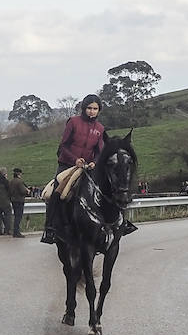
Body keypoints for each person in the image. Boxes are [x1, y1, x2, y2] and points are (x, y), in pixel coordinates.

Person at [41, 94, 135, 244]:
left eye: (95, 109)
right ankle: (50, 228)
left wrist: (95, 162)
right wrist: (75, 160)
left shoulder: (100, 128)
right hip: (67, 165)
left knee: (112, 187)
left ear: (99, 111)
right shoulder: (73, 122)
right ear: (84, 109)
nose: (92, 111)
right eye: (89, 108)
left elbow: (99, 151)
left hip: (89, 166)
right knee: (57, 191)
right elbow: (63, 146)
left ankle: (122, 223)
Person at [7, 167, 27, 237]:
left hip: (13, 200)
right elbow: (23, 191)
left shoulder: (11, 181)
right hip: (19, 200)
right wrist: (27, 191)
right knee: (18, 216)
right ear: (19, 174)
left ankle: (15, 231)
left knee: (16, 216)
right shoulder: (19, 181)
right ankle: (16, 232)